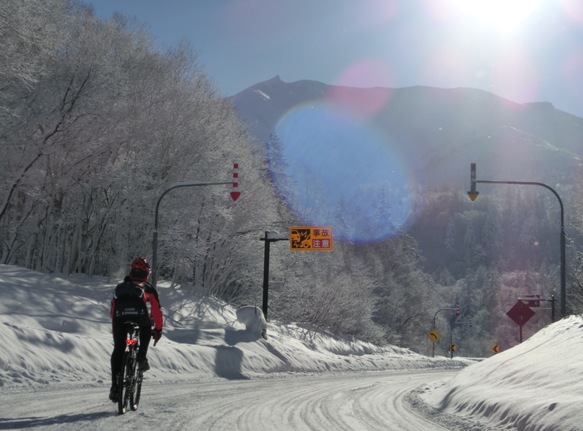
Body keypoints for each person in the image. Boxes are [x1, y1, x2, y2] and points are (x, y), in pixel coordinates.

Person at [109, 257, 163, 402]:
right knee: (146, 327)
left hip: (119, 318)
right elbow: (157, 311)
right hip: (140, 318)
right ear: (147, 273)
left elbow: (112, 310)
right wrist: (158, 330)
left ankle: (115, 385)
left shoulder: (120, 287)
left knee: (119, 349)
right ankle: (141, 357)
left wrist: (117, 324)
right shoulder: (148, 288)